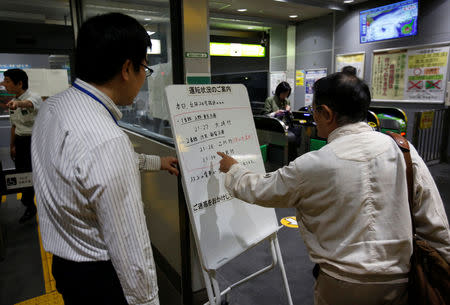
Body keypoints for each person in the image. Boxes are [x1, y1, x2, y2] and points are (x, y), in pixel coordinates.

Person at [218, 72, 450, 305]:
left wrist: (234, 170)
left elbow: (263, 189)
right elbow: (435, 222)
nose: (313, 116)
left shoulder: (314, 164)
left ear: (326, 113)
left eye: (314, 110)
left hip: (340, 283)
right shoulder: (403, 151)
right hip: (402, 280)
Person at [31, 13, 179, 305]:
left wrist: (157, 162)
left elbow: (83, 168)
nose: (142, 80)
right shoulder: (107, 140)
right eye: (144, 70)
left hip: (65, 265)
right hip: (99, 278)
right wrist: (147, 301)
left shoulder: (54, 107)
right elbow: (129, 245)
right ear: (127, 68)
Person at [2, 69, 42, 223]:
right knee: (21, 174)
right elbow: (14, 126)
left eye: (7, 81)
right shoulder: (13, 101)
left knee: (32, 175)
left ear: (19, 83)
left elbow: (29, 104)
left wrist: (18, 103)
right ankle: (29, 204)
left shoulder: (34, 97)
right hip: (20, 142)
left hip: (34, 142)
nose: (5, 85)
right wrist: (12, 146)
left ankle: (31, 203)